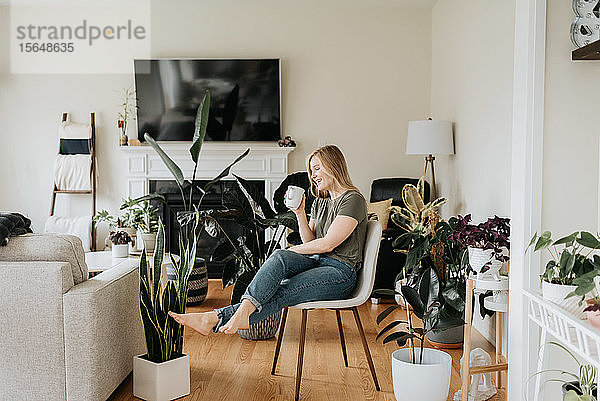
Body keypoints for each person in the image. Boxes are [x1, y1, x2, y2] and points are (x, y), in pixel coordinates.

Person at [169, 145, 367, 335]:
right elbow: (310, 242)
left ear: (334, 166)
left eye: (317, 168)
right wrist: (299, 213)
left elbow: (328, 244)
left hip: (340, 273)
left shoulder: (352, 199)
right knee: (280, 256)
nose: (313, 175)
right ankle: (238, 313)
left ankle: (214, 318)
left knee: (282, 291)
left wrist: (294, 251)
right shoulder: (321, 201)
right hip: (318, 263)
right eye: (311, 170)